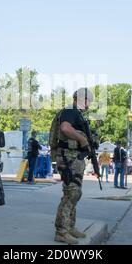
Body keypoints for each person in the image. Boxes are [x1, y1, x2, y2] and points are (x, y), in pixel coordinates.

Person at [51, 88, 100, 244]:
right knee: (71, 193)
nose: (89, 104)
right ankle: (61, 231)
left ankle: (70, 227)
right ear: (81, 99)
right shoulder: (70, 110)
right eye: (88, 101)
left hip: (74, 158)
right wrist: (82, 139)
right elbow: (65, 128)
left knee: (75, 193)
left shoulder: (77, 113)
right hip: (68, 157)